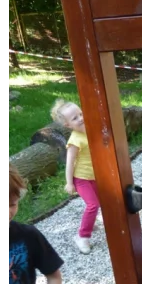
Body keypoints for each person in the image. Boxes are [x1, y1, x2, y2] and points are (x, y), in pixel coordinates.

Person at [51, 99, 100, 254]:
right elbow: (70, 162)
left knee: (101, 201)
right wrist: (69, 183)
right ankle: (82, 237)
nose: (80, 118)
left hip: (94, 176)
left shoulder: (90, 131)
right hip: (81, 178)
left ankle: (91, 222)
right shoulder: (75, 140)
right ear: (68, 125)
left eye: (80, 113)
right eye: (75, 118)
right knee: (93, 205)